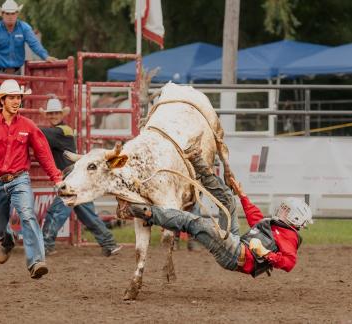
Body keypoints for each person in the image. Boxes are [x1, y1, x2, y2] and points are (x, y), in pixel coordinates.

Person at [125, 149, 313, 277]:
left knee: (195, 223)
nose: (282, 211)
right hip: (237, 243)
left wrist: (265, 253)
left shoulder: (290, 237)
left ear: (295, 218)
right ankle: (197, 162)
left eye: (286, 210)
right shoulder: (276, 226)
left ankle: (144, 211)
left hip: (236, 254)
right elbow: (256, 219)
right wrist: (242, 196)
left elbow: (289, 263)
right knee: (228, 200)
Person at [0, 79, 62, 279]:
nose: (16, 101)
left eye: (18, 97)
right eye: (12, 97)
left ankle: (36, 261)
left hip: (19, 178)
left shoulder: (28, 126)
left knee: (27, 214)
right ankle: (6, 239)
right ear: (2, 100)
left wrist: (56, 178)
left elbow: (44, 154)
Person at [39, 96, 121, 257]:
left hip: (72, 178)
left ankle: (45, 244)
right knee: (87, 214)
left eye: (56, 113)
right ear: (47, 116)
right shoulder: (60, 131)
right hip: (76, 177)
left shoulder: (63, 131)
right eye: (51, 113)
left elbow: (38, 133)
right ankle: (109, 244)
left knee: (58, 210)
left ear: (61, 114)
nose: (53, 116)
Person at [0, 0, 57, 77]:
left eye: (13, 13)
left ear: (17, 14)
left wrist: (45, 56)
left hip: (17, 73)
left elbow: (34, 43)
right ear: (2, 14)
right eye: (7, 13)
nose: (10, 16)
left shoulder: (24, 28)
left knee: (18, 89)